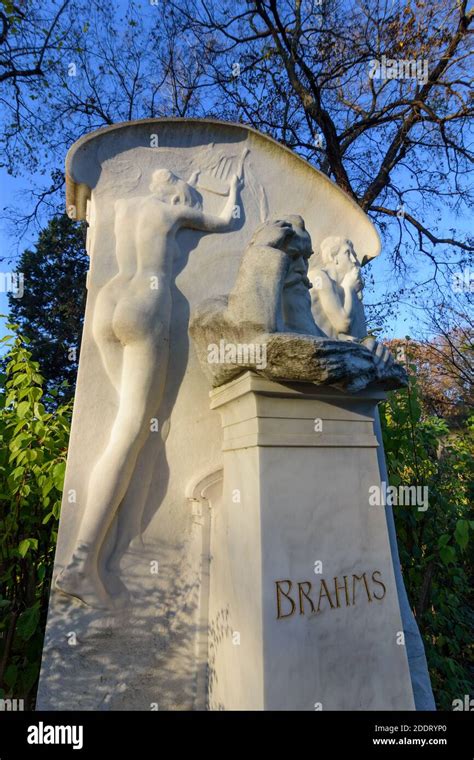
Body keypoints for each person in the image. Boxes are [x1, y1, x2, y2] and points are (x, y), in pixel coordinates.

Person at [56, 167, 242, 609]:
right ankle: (83, 564)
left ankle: (102, 553)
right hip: (146, 303)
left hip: (111, 301)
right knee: (132, 432)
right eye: (187, 198)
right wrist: (233, 186)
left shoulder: (122, 206)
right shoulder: (170, 215)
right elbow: (229, 219)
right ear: (177, 195)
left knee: (131, 430)